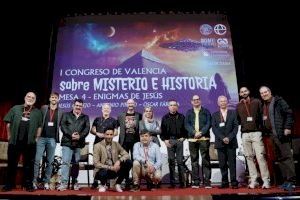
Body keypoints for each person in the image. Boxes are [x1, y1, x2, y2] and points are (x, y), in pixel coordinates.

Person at [2, 92, 43, 192]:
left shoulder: (37, 112)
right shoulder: (15, 108)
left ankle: (28, 184)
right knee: (12, 163)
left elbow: (39, 126)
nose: (30, 98)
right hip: (15, 141)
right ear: (25, 97)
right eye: (28, 96)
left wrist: (37, 139)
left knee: (29, 165)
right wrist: (9, 136)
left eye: (33, 97)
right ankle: (9, 184)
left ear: (35, 100)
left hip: (30, 142)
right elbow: (8, 123)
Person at [259, 86, 296, 191]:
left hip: (281, 134)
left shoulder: (278, 101)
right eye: (262, 93)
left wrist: (287, 127)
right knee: (279, 158)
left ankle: (292, 182)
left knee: (287, 157)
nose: (264, 94)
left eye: (265, 92)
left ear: (270, 92)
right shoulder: (264, 105)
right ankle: (285, 181)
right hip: (271, 136)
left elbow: (289, 114)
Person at [236, 87, 270, 189]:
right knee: (249, 158)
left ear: (249, 92)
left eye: (245, 91)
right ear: (240, 94)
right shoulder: (238, 105)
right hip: (245, 134)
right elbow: (238, 120)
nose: (243, 93)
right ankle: (254, 180)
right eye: (241, 92)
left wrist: (263, 130)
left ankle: (266, 180)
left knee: (260, 157)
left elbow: (262, 115)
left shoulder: (256, 102)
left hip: (256, 133)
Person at [57, 98, 90, 191]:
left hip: (79, 143)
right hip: (67, 142)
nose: (78, 107)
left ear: (82, 107)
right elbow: (63, 126)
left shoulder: (85, 117)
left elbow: (87, 129)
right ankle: (63, 183)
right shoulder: (66, 115)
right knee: (65, 163)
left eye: (80, 106)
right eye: (77, 105)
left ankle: (75, 182)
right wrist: (71, 135)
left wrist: (79, 136)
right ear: (73, 106)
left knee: (76, 164)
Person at [33, 92, 62, 190]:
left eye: (56, 98)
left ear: (58, 100)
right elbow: (38, 121)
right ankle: (34, 181)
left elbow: (62, 125)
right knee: (37, 160)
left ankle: (46, 182)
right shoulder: (44, 108)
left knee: (50, 162)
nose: (54, 99)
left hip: (52, 139)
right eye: (52, 97)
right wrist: (36, 136)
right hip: (41, 138)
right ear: (50, 99)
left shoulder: (61, 111)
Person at [185, 95, 212, 188]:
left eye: (197, 99)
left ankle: (207, 181)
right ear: (191, 102)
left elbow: (209, 123)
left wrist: (201, 132)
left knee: (206, 160)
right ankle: (196, 181)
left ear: (200, 101)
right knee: (194, 160)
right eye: (194, 100)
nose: (196, 101)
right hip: (192, 139)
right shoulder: (188, 112)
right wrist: (193, 132)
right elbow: (186, 124)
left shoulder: (206, 111)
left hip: (204, 138)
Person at [211, 95, 239, 189]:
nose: (223, 103)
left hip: (231, 142)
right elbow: (214, 129)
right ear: (218, 103)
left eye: (224, 101)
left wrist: (229, 138)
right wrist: (223, 138)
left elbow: (236, 127)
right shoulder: (214, 115)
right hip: (220, 142)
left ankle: (234, 182)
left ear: (227, 102)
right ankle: (225, 182)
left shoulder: (233, 113)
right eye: (221, 101)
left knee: (232, 163)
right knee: (222, 164)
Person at [93, 128, 132, 193]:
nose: (109, 136)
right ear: (104, 135)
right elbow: (96, 164)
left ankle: (118, 184)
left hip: (115, 169)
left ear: (113, 135)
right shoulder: (97, 146)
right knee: (102, 170)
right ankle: (102, 185)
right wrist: (111, 168)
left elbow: (126, 154)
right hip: (102, 171)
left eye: (111, 134)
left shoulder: (116, 144)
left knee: (129, 162)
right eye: (107, 134)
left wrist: (119, 161)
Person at [160, 99, 187, 188]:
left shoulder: (182, 117)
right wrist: (165, 140)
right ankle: (172, 183)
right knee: (171, 161)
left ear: (177, 106)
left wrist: (184, 137)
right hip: (169, 141)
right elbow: (162, 132)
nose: (173, 107)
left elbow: (186, 129)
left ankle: (182, 183)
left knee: (180, 162)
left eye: (174, 105)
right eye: (171, 105)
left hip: (179, 141)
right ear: (168, 107)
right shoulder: (164, 117)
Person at [90, 103, 118, 189]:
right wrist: (97, 133)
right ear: (102, 110)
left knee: (108, 162)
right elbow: (92, 130)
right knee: (96, 163)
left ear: (110, 110)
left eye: (107, 108)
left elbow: (116, 132)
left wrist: (108, 136)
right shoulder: (97, 119)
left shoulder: (113, 120)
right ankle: (95, 181)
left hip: (108, 144)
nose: (106, 110)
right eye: (104, 108)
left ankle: (107, 181)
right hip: (97, 144)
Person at [117, 98, 142, 189]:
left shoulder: (139, 115)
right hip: (124, 142)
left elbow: (143, 126)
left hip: (135, 142)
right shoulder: (121, 116)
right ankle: (126, 181)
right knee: (126, 162)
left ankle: (135, 181)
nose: (130, 105)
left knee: (135, 162)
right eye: (129, 103)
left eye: (132, 103)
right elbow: (115, 127)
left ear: (134, 104)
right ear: (126, 104)